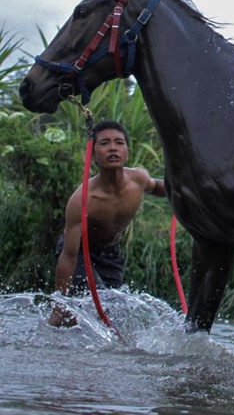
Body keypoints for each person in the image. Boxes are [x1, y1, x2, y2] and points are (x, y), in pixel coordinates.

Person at [48, 120, 165, 327]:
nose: (113, 148)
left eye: (119, 143)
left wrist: (189, 188)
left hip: (111, 254)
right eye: (104, 143)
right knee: (99, 305)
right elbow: (68, 255)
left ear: (127, 151)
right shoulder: (83, 199)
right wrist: (59, 304)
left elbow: (158, 188)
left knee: (118, 312)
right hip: (80, 254)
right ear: (92, 156)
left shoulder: (138, 179)